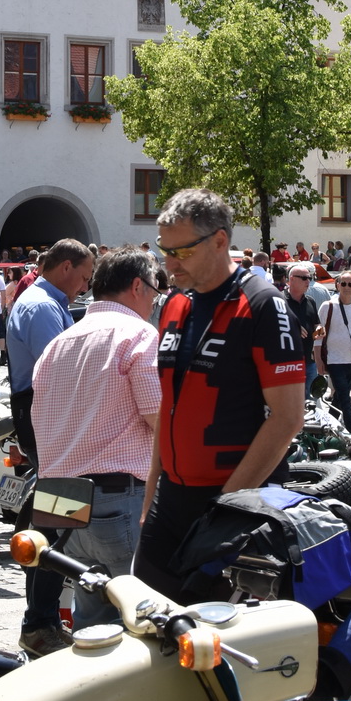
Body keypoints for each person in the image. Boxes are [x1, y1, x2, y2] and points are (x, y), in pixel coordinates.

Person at [135, 188, 303, 598]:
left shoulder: (262, 303)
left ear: (220, 241)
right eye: (164, 250)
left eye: (182, 253)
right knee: (148, 626)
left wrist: (226, 507)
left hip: (233, 503)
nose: (168, 265)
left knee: (210, 647)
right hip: (171, 500)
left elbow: (287, 419)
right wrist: (151, 494)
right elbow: (169, 405)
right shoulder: (175, 304)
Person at [32, 247, 162, 627]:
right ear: (137, 286)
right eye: (155, 290)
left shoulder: (61, 342)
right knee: (145, 622)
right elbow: (161, 421)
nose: (155, 301)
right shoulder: (138, 335)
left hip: (59, 500)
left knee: (93, 624)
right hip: (114, 496)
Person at [6, 238, 95, 654]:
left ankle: (40, 620)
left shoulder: (44, 301)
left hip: (43, 414)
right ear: (65, 267)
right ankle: (39, 620)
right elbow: (59, 371)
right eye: (83, 275)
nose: (85, 284)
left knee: (56, 520)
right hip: (46, 413)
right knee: (59, 521)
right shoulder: (42, 307)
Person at [317, 273, 351, 430]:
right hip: (334, 359)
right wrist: (319, 360)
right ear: (337, 285)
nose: (346, 287)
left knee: (339, 397)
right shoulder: (328, 306)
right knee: (345, 398)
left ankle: (327, 427)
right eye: (343, 284)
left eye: (350, 284)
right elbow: (318, 335)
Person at [284, 264, 322, 392]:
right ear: (292, 279)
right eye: (304, 278)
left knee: (309, 401)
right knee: (290, 400)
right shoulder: (279, 300)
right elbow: (269, 327)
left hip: (309, 361)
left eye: (309, 278)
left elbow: (316, 323)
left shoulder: (310, 301)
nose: (308, 281)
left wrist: (319, 329)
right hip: (287, 363)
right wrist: (292, 328)